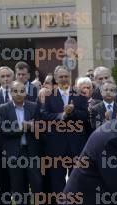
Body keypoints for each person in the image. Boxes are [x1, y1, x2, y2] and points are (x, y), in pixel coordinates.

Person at [0, 81, 44, 205]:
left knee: (37, 183)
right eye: (15, 91)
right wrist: (21, 128)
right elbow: (3, 129)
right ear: (11, 93)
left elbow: (42, 127)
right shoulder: (3, 108)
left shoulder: (34, 106)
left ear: (26, 92)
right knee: (18, 185)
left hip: (32, 151)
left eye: (22, 91)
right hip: (14, 152)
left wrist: (33, 126)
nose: (19, 94)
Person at [41, 65, 90, 197]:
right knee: (57, 179)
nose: (64, 79)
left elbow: (85, 116)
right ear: (56, 79)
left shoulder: (79, 94)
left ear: (70, 77)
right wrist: (61, 116)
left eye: (66, 76)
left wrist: (72, 111)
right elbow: (44, 115)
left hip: (76, 144)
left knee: (76, 178)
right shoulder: (49, 96)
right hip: (57, 145)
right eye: (61, 77)